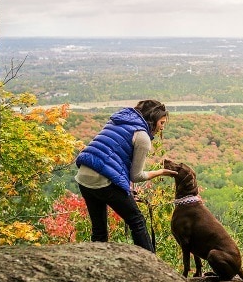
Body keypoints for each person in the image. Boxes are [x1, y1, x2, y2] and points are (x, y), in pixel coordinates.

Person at [74, 99, 177, 252]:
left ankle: (96, 265)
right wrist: (160, 172)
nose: (162, 128)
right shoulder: (142, 137)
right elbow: (136, 175)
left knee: (99, 231)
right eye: (161, 123)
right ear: (152, 119)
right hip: (103, 179)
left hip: (83, 176)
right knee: (137, 221)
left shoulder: (117, 121)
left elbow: (114, 160)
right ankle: (151, 265)